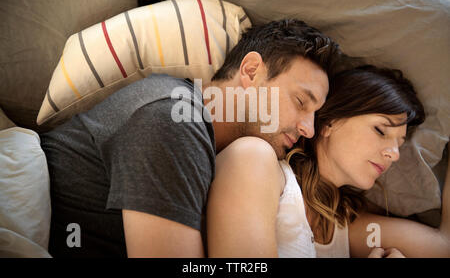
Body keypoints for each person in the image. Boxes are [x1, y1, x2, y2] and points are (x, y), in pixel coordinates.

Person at [40, 19, 343, 257]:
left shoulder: (200, 142)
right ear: (251, 71)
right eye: (302, 102)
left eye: (315, 115)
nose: (309, 130)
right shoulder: (174, 118)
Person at [207, 65, 450, 258]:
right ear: (330, 122)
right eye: (380, 130)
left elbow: (443, 247)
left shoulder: (347, 227)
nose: (394, 154)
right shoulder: (257, 160)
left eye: (399, 143)